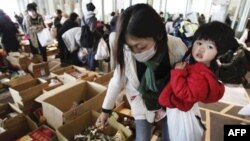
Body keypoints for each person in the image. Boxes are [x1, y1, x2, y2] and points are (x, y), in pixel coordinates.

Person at [95, 4, 187, 141]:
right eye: (130, 46)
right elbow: (117, 80)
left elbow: (191, 80)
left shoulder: (176, 47)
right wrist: (105, 111)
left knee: (171, 136)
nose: (135, 52)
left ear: (158, 35)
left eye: (140, 46)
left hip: (170, 102)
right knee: (142, 138)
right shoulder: (127, 51)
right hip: (141, 100)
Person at [158, 21, 237, 141]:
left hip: (179, 109)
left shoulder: (201, 73)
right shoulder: (201, 65)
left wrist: (178, 73)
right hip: (183, 110)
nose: (201, 49)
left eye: (210, 47)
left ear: (219, 53)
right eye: (199, 42)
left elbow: (186, 94)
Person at [81, 2, 97, 70]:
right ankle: (92, 68)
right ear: (93, 9)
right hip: (91, 37)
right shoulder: (93, 18)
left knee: (87, 52)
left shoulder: (83, 17)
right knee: (92, 53)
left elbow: (81, 26)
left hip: (84, 36)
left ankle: (88, 66)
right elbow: (92, 29)